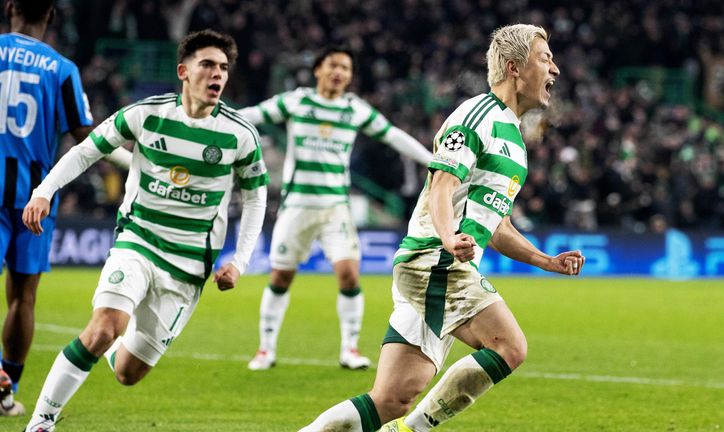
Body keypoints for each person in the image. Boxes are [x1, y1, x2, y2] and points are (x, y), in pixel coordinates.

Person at [299, 24, 585, 432]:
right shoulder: (475, 115)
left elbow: (496, 225)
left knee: (390, 400)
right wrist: (449, 237)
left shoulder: (516, 141)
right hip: (433, 258)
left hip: (441, 263)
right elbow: (441, 186)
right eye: (546, 58)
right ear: (514, 67)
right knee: (510, 347)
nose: (555, 69)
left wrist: (545, 260)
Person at [21, 29, 269, 432]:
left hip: (188, 267)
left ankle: (112, 341)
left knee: (128, 372)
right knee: (104, 327)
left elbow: (256, 198)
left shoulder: (240, 135)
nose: (217, 74)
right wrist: (44, 191)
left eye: (223, 67)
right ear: (183, 71)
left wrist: (239, 262)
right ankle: (41, 422)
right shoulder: (147, 114)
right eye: (207, 64)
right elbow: (89, 149)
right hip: (138, 241)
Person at [239, 47, 432, 371]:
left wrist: (431, 159)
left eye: (345, 67)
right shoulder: (297, 101)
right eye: (333, 65)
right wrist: (209, 122)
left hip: (335, 207)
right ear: (318, 70)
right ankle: (265, 349)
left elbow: (393, 136)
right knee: (281, 276)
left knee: (348, 274)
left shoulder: (354, 109)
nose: (339, 72)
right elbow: (253, 115)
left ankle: (350, 349)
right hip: (297, 204)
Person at [0, 0, 131, 417]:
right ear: (52, 17)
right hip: (34, 196)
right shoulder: (61, 68)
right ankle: (7, 389)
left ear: (9, 8)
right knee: (23, 297)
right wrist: (137, 162)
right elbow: (84, 135)